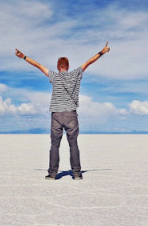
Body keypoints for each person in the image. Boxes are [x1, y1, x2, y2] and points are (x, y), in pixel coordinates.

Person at [15, 42, 110, 180]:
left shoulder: (54, 76)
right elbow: (89, 62)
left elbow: (38, 65)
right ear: (68, 67)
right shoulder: (76, 74)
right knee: (73, 144)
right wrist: (102, 51)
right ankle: (77, 174)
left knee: (54, 145)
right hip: (71, 115)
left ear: (58, 67)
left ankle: (52, 174)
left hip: (56, 115)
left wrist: (23, 57)